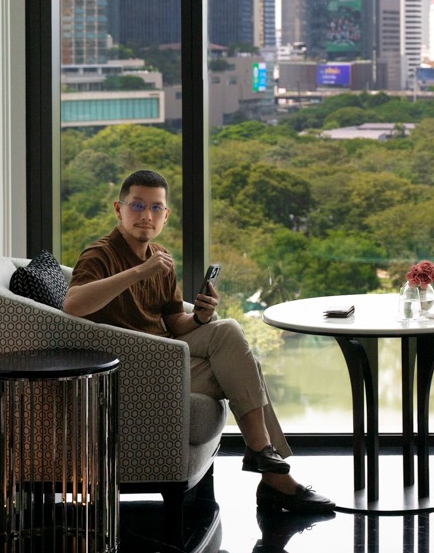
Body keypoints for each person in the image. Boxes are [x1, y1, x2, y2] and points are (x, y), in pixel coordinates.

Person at [63, 168, 334, 515]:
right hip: (132, 367)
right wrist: (139, 272)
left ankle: (265, 457)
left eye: (156, 208)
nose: (147, 216)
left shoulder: (160, 256)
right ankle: (272, 473)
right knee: (243, 369)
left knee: (227, 330)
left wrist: (201, 317)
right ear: (119, 209)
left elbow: (174, 322)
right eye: (137, 205)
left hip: (167, 356)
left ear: (166, 215)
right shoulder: (99, 254)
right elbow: (73, 305)